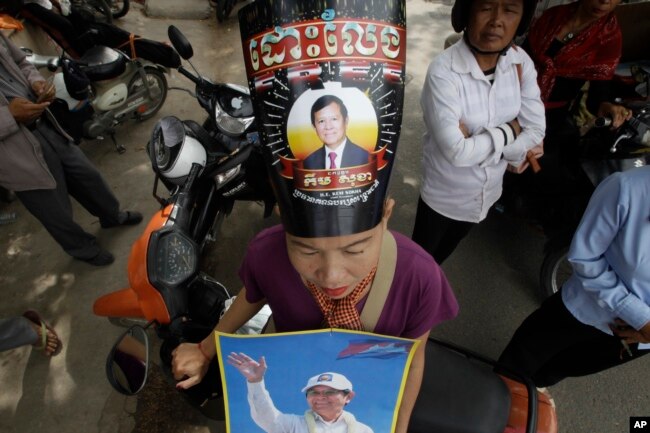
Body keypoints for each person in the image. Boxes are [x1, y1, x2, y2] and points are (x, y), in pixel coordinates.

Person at [171, 199, 459, 433]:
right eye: (306, 249)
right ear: (282, 216)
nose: (332, 276)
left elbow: (412, 360)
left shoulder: (420, 277)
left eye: (356, 248)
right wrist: (204, 349)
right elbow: (252, 295)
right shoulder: (267, 253)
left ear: (385, 214)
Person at [411, 0, 546, 264]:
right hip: (444, 197)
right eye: (485, 8)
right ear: (466, 15)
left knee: (439, 261)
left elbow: (537, 129)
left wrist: (480, 142)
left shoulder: (521, 63)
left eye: (510, 10)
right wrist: (512, 129)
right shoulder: (444, 71)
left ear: (521, 19)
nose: (497, 20)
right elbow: (456, 153)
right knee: (418, 265)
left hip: (487, 195)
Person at [497, 166, 650, 387]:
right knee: (518, 364)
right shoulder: (627, 189)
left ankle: (526, 398)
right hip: (583, 311)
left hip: (634, 340)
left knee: (557, 371)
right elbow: (584, 257)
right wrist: (640, 317)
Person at [0, 32, 142, 266]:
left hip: (46, 126)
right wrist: (9, 116)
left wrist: (35, 81)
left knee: (87, 176)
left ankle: (112, 216)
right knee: (53, 209)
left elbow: (21, 62)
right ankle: (83, 248)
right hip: (13, 151)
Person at [228, 353, 374, 433]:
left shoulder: (363, 431)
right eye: (313, 392)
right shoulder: (293, 425)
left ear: (348, 397)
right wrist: (255, 381)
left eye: (330, 392)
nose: (320, 397)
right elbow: (266, 417)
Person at [302, 95, 370, 170]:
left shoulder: (365, 158)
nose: (328, 127)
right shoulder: (308, 163)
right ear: (314, 127)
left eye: (334, 119)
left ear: (346, 121)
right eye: (321, 121)